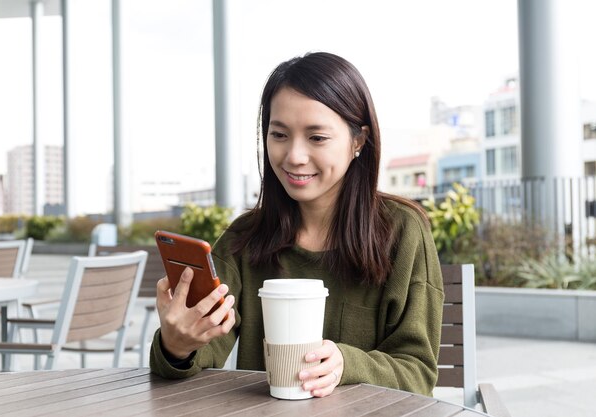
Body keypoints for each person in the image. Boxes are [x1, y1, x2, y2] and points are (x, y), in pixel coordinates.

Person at [150, 52, 444, 397]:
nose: (294, 156)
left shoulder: (401, 231)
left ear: (358, 141)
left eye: (317, 137)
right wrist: (176, 345)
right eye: (280, 135)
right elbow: (198, 358)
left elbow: (418, 372)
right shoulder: (245, 238)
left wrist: (347, 365)